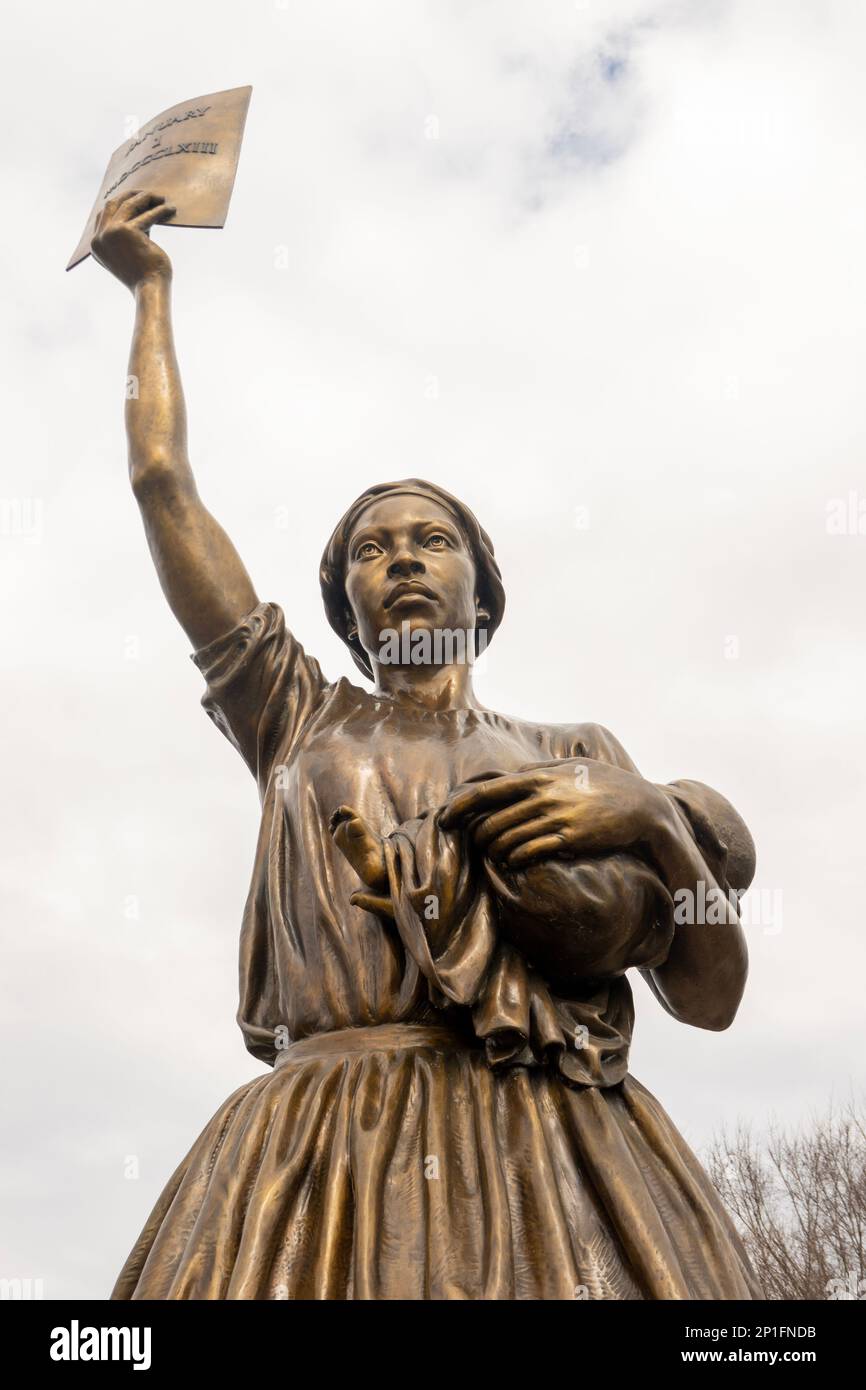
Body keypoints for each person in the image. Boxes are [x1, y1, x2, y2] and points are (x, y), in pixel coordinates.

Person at [91, 189, 762, 1300]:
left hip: (552, 1149)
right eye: (368, 548)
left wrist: (648, 817)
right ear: (344, 602)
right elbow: (163, 487)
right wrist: (151, 292)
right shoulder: (298, 714)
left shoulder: (573, 749)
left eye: (430, 539)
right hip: (323, 1148)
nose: (398, 558)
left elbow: (710, 993)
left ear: (481, 590)